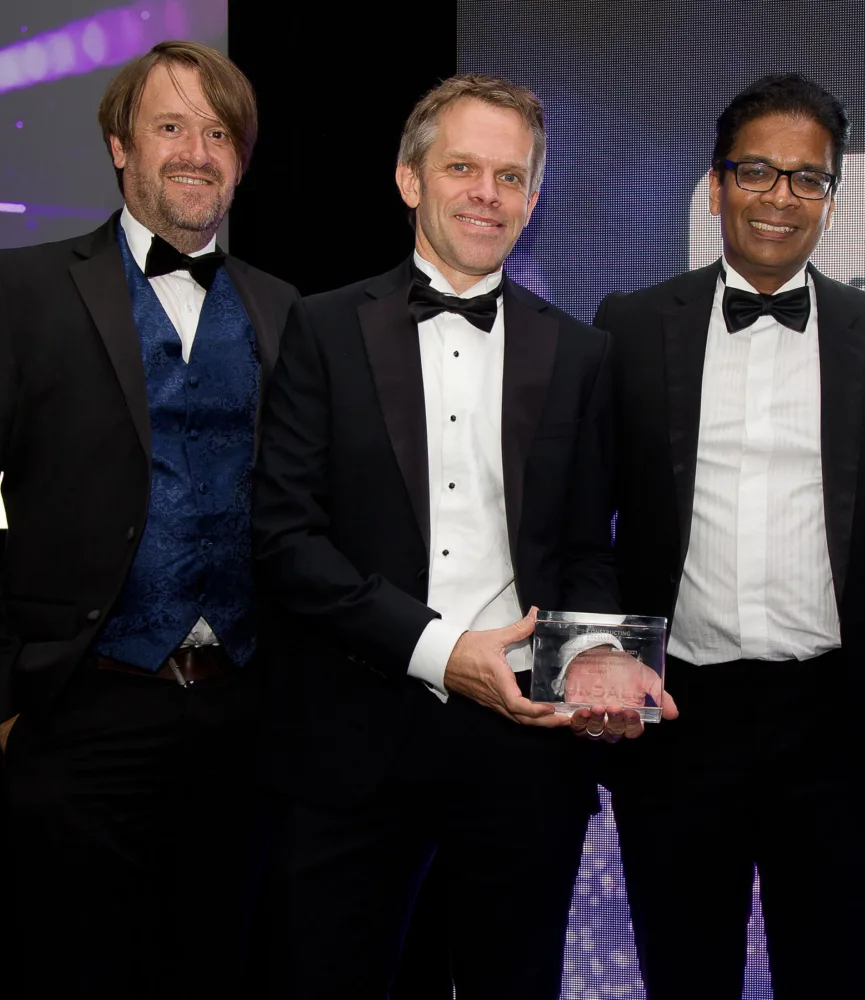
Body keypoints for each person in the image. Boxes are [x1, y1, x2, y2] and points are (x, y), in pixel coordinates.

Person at [247, 73, 668, 999]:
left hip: (524, 750)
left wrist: (597, 653)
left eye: (511, 176)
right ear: (410, 179)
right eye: (464, 167)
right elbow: (285, 541)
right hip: (353, 739)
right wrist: (442, 653)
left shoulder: (582, 352)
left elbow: (587, 546)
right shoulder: (319, 329)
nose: (488, 193)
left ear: (533, 196)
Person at [0, 40, 298, 999]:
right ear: (120, 145)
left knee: (219, 969)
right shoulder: (18, 289)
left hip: (245, 721)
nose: (197, 152)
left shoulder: (288, 310)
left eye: (219, 133)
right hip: (82, 712)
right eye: (171, 126)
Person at [595, 73, 865, 998]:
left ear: (831, 195)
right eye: (756, 171)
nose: (779, 197)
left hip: (835, 730)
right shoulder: (629, 329)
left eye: (806, 178)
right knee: (685, 978)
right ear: (716, 184)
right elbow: (581, 520)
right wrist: (590, 669)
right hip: (676, 722)